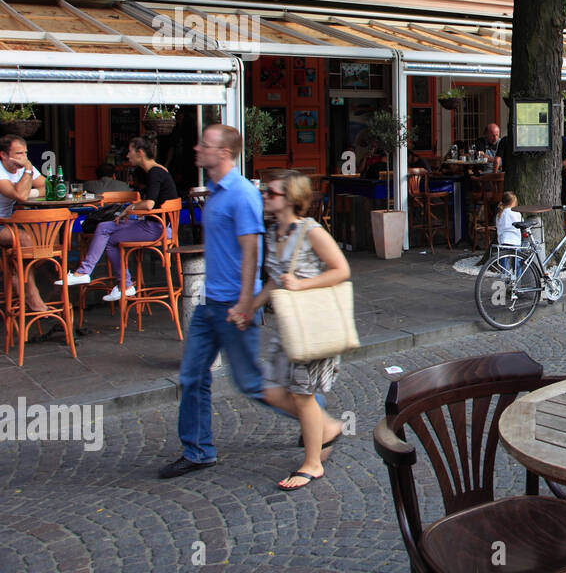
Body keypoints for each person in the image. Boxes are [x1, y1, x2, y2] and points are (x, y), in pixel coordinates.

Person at [159, 125, 274, 479]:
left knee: (251, 382)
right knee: (193, 375)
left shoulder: (240, 194)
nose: (196, 148)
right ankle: (198, 450)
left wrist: (245, 304)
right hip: (210, 304)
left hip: (232, 306)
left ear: (223, 153)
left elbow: (251, 251)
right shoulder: (215, 191)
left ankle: (315, 416)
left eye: (205, 145)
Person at [248, 170, 350, 491]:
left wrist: (303, 283)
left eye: (272, 193)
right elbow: (278, 278)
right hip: (288, 326)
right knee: (270, 391)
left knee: (302, 395)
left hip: (313, 325)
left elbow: (341, 270)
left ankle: (312, 463)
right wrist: (249, 307)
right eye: (265, 191)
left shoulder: (311, 231)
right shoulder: (272, 232)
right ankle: (329, 426)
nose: (265, 196)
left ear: (290, 198)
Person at [58, 137, 179, 300]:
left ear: (140, 153)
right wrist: (130, 210)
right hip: (160, 226)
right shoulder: (159, 170)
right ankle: (105, 279)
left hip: (157, 228)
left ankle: (116, 282)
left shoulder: (154, 173)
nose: (128, 156)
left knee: (107, 236)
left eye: (130, 151)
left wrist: (130, 208)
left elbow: (149, 204)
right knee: (104, 228)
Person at [0, 135, 47, 313]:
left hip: (8, 222)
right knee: (25, 240)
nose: (24, 157)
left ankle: (14, 272)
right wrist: (28, 171)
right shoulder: (16, 169)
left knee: (46, 238)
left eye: (25, 153)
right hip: (2, 223)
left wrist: (29, 191)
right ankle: (31, 295)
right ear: (3, 155)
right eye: (18, 153)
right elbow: (19, 196)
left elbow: (46, 186)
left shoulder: (23, 167)